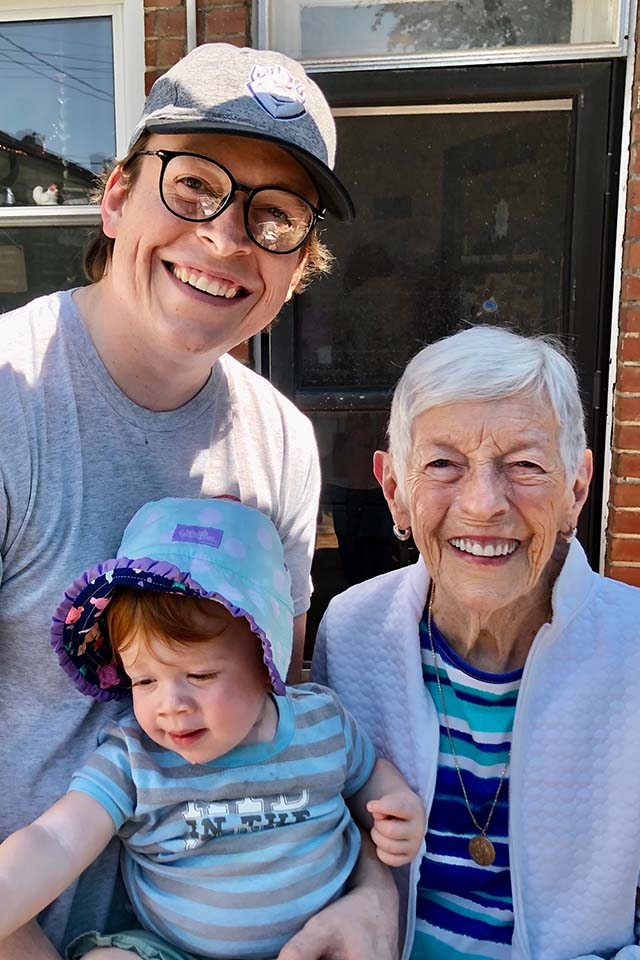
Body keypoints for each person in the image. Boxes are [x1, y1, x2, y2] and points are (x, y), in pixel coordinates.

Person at [0, 43, 398, 960]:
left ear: (299, 268)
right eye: (192, 186)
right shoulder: (14, 401)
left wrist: (375, 896)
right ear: (114, 196)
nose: (225, 237)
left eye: (277, 216)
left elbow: (286, 707)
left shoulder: (283, 445)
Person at [313, 324, 640, 960]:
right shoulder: (353, 631)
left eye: (525, 464)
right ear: (394, 492)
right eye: (443, 464)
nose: (485, 503)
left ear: (576, 488)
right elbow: (330, 833)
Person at [0, 496, 425, 960]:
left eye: (199, 676)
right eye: (144, 680)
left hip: (322, 940)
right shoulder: (135, 760)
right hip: (171, 950)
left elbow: (367, 774)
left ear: (267, 664)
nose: (171, 705)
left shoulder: (321, 722)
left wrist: (395, 803)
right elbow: (57, 838)